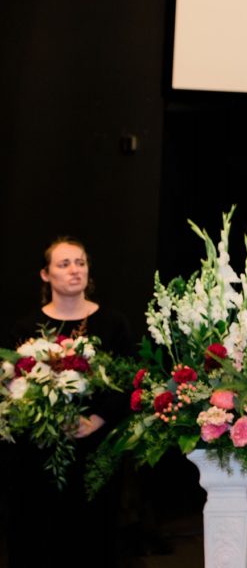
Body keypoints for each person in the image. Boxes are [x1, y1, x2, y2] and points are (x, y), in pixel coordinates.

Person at [5, 237, 133, 567]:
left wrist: (95, 420)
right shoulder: (25, 328)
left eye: (80, 262)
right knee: (41, 536)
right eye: (64, 264)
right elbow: (11, 386)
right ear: (45, 274)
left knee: (93, 536)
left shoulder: (113, 324)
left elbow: (128, 383)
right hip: (41, 452)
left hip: (97, 449)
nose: (75, 270)